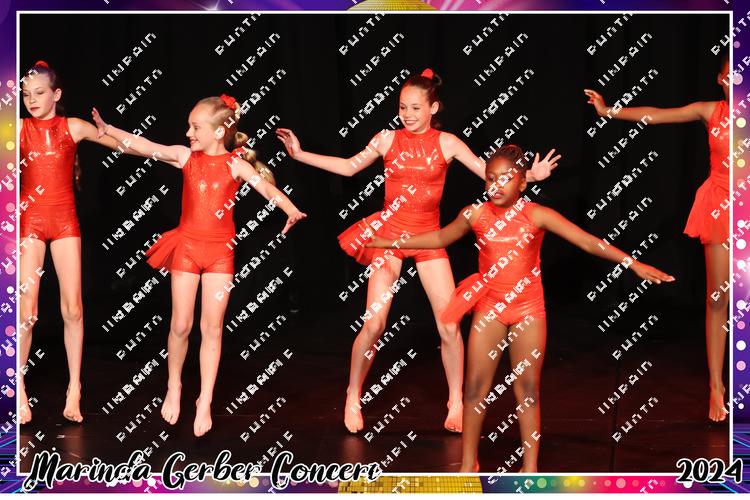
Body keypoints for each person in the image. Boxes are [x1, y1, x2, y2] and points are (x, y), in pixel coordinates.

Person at [276, 68, 560, 433]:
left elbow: (488, 174)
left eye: (414, 108)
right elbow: (348, 167)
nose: (407, 114)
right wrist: (300, 155)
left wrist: (530, 177)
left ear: (433, 108)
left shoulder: (448, 143)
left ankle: (455, 401)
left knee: (449, 323)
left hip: (428, 238)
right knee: (375, 323)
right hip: (390, 236)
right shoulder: (386, 139)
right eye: (402, 107)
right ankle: (352, 394)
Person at [366, 144, 674, 471]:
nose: (496, 185)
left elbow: (587, 241)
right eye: (490, 178)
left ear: (523, 183)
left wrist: (633, 263)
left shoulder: (536, 214)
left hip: (528, 309)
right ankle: (468, 466)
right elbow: (439, 238)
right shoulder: (475, 214)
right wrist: (389, 242)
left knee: (527, 390)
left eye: (505, 178)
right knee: (475, 389)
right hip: (490, 307)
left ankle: (530, 467)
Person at [92, 94, 306, 436]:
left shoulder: (236, 165)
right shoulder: (185, 156)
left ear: (219, 131)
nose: (188, 133)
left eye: (195, 127)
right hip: (188, 248)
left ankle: (204, 398)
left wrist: (290, 209)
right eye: (189, 127)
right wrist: (110, 129)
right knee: (180, 325)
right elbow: (146, 147)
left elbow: (267, 190)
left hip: (220, 253)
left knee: (212, 328)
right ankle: (174, 385)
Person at [584, 52, 729, 421]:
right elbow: (657, 114)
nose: (734, 82)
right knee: (719, 299)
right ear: (719, 79)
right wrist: (608, 111)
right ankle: (716, 386)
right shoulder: (710, 111)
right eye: (728, 76)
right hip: (720, 205)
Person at [18, 60, 140, 424]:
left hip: (65, 223)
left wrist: (169, 154)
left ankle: (75, 387)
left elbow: (125, 146)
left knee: (72, 309)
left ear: (56, 94)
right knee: (27, 312)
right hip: (29, 222)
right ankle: (17, 386)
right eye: (26, 94)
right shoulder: (17, 128)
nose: (32, 100)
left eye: (39, 93)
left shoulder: (72, 126)